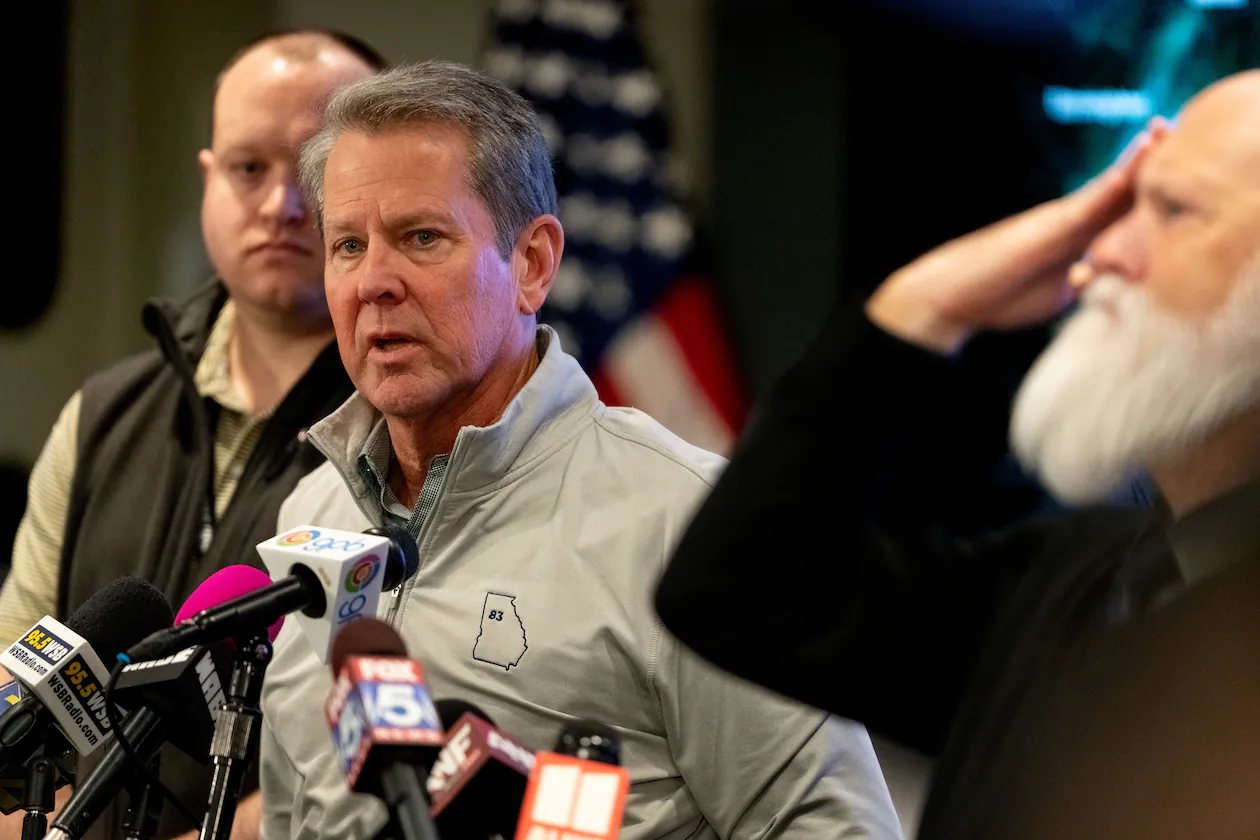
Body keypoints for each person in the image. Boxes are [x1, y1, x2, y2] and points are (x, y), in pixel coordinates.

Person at [256, 61, 902, 840]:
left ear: (532, 264)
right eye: (347, 246)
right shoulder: (310, 515)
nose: (374, 283)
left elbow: (837, 830)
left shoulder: (688, 525)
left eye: (421, 237)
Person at [655, 70, 1260, 840]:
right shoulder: (1080, 578)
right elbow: (738, 593)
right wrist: (923, 308)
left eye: (1173, 211)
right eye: (1120, 205)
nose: (1102, 248)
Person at [0, 30, 386, 840]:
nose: (282, 204)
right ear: (209, 179)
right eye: (250, 169)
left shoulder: (405, 433)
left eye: (313, 173)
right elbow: (13, 678)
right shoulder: (104, 413)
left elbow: (369, 752)